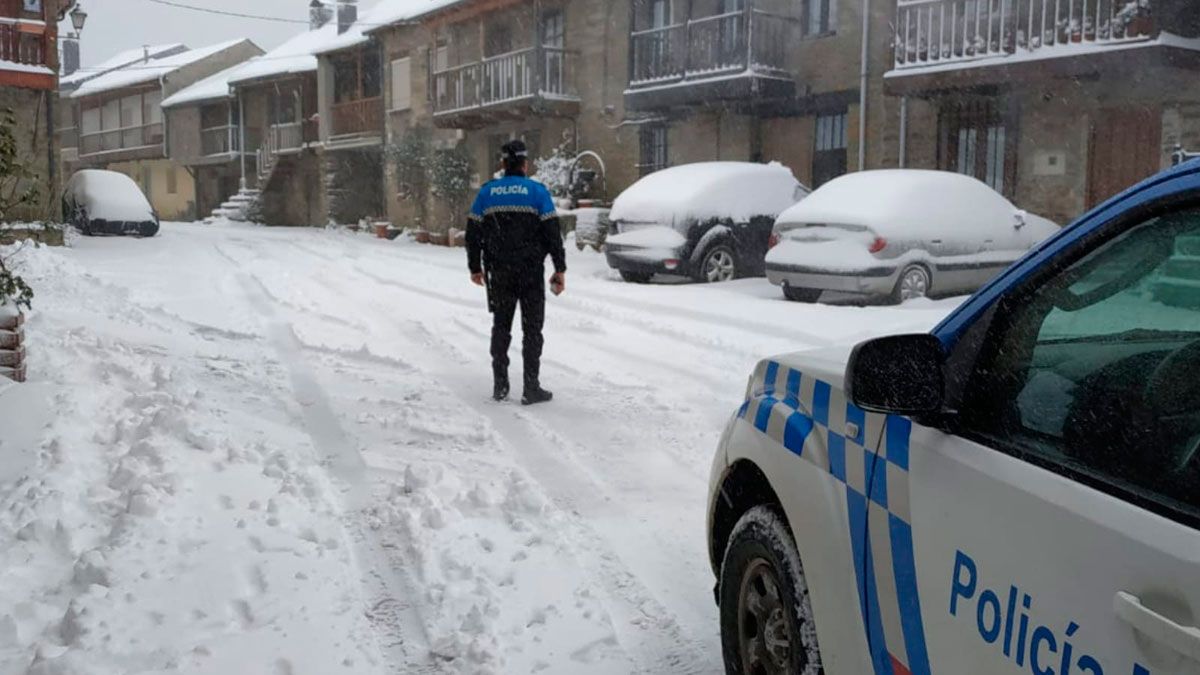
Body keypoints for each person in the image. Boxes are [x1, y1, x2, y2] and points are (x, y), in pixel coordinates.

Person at [466, 140, 567, 405]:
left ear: (502, 165)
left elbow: (473, 233)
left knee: (501, 326)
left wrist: (475, 267)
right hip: (531, 273)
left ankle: (500, 385)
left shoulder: (487, 193)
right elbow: (552, 233)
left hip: (499, 273)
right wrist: (560, 268)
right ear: (525, 164)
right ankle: (531, 387)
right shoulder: (537, 192)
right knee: (532, 329)